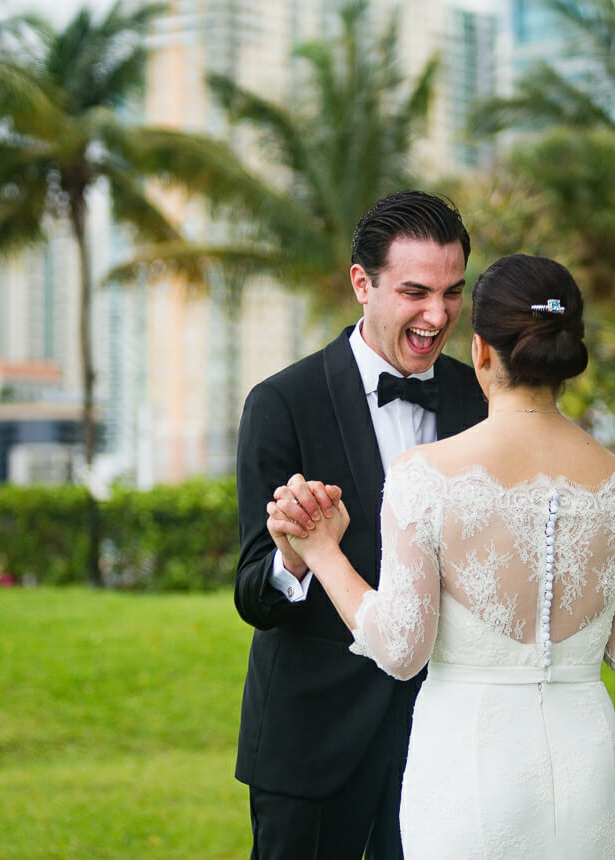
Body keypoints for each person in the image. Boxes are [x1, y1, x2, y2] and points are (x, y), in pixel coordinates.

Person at [277, 253, 615, 858]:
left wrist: (323, 552)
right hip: (582, 761)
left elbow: (403, 651)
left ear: (481, 350)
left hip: (468, 758)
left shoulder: (428, 477)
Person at [233, 191, 489, 858]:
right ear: (361, 285)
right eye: (415, 292)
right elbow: (253, 595)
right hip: (313, 745)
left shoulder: (482, 400)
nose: (437, 316)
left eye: (453, 293)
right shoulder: (281, 403)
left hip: (442, 744)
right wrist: (295, 557)